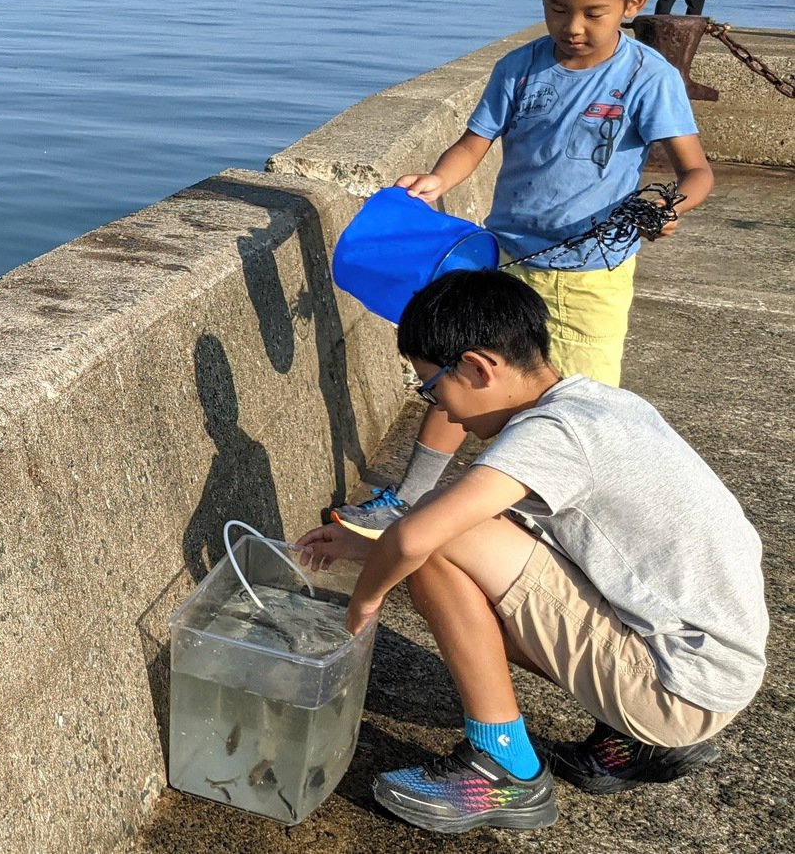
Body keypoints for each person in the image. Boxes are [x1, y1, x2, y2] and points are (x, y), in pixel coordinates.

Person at [298, 269, 767, 834]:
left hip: (677, 691)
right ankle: (634, 743)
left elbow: (419, 536)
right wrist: (362, 543)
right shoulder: (601, 404)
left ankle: (503, 768)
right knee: (460, 529)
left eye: (432, 388)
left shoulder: (552, 436)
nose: (443, 411)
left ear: (478, 368)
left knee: (438, 544)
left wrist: (365, 602)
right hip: (713, 665)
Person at [332, 0, 714, 534]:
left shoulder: (649, 78)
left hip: (591, 275)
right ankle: (409, 498)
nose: (573, 27)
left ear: (633, 3)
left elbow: (696, 172)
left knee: (579, 409)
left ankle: (559, 528)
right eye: (558, 9)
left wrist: (667, 207)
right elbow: (473, 143)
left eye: (593, 13)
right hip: (506, 260)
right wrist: (437, 180)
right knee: (461, 375)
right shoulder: (519, 69)